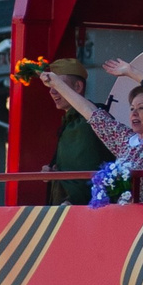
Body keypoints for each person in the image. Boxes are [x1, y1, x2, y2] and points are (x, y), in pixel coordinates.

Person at [40, 67, 143, 202]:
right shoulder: (125, 140)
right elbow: (90, 112)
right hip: (123, 216)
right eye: (132, 108)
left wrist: (130, 71)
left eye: (142, 108)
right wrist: (56, 84)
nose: (134, 113)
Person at [39, 56, 111, 205]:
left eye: (59, 85)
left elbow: (86, 171)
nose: (52, 91)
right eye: (51, 86)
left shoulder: (85, 124)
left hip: (77, 208)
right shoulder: (70, 122)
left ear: (78, 87)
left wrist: (72, 199)